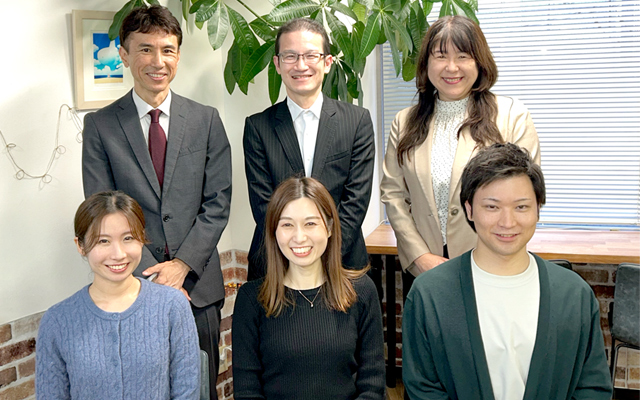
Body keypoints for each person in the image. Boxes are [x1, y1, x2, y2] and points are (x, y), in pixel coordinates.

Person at [81, 6, 231, 399]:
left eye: (167, 50)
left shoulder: (207, 120)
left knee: (200, 388)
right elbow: (102, 211)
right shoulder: (100, 127)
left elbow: (218, 202)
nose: (157, 61)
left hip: (198, 289)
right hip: (130, 286)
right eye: (145, 50)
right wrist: (155, 276)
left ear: (178, 56)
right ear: (125, 55)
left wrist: (181, 267)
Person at [402, 143, 613, 399]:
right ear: (469, 209)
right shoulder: (430, 294)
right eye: (492, 207)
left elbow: (592, 387)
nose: (507, 222)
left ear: (538, 208)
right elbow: (423, 389)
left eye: (521, 207)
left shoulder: (573, 294)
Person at [381, 15, 540, 277]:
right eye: (441, 56)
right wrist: (419, 257)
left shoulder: (512, 116)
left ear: (480, 61)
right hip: (425, 271)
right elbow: (394, 194)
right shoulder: (405, 121)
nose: (451, 67)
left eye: (463, 56)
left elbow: (525, 197)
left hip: (492, 264)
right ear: (427, 63)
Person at [243, 18, 375, 280]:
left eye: (311, 55)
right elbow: (264, 206)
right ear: (278, 64)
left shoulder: (357, 121)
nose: (301, 65)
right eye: (290, 56)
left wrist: (324, 255)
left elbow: (355, 201)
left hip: (343, 263)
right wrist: (299, 255)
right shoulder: (258, 127)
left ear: (327, 63)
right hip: (277, 267)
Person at [36, 191, 200, 400]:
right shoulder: (57, 320)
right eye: (103, 241)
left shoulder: (171, 305)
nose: (119, 254)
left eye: (128, 238)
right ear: (80, 245)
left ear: (142, 239)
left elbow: (187, 390)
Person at [232, 177, 385, 400]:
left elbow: (372, 385)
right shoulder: (251, 299)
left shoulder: (362, 292)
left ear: (330, 227)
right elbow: (247, 392)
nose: (299, 237)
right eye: (287, 225)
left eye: (310, 223)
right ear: (274, 231)